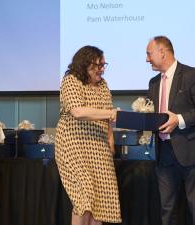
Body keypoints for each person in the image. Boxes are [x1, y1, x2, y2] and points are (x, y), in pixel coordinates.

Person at [55, 45, 121, 225]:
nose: (102, 70)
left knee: (99, 202)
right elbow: (77, 111)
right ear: (85, 64)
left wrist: (110, 141)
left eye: (103, 65)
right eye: (98, 66)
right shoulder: (71, 80)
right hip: (73, 145)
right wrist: (111, 113)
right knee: (84, 197)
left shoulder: (103, 85)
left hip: (99, 148)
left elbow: (107, 115)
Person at [146, 36, 195, 225]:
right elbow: (151, 116)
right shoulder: (153, 83)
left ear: (162, 52)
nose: (146, 59)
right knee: (167, 209)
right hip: (163, 153)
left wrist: (179, 120)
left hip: (190, 152)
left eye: (149, 54)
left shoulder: (191, 75)